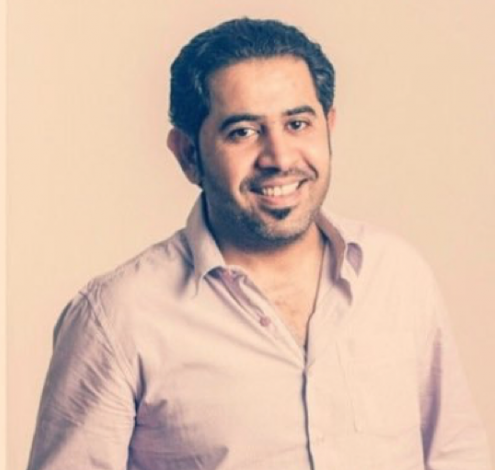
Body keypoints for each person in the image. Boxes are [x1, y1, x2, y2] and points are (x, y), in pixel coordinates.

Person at [27, 18, 491, 470]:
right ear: (188, 155)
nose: (279, 158)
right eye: (243, 132)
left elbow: (456, 454)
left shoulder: (397, 275)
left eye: (298, 124)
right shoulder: (117, 318)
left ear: (328, 126)